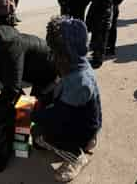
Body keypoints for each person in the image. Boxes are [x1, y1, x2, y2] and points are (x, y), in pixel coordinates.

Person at [31, 16, 102, 183]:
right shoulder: (77, 65)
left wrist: (33, 114)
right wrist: (41, 102)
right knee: (43, 120)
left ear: (66, 51)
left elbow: (59, 116)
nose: (52, 54)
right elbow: (58, 91)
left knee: (39, 136)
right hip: (84, 120)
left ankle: (76, 157)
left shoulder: (79, 81)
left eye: (55, 51)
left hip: (83, 126)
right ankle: (86, 142)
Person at [0, 25, 58, 105]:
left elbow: (13, 87)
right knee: (24, 107)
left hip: (49, 70)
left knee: (33, 110)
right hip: (37, 69)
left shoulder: (10, 47)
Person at [86, 0, 114, 69]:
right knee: (95, 42)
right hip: (97, 25)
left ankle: (98, 61)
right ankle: (95, 57)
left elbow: (104, 14)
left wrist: (99, 24)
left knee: (99, 43)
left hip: (100, 26)